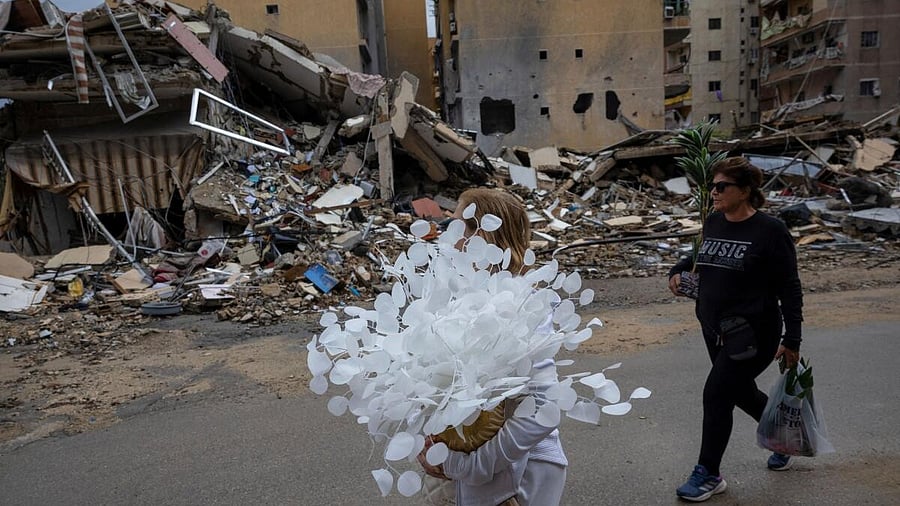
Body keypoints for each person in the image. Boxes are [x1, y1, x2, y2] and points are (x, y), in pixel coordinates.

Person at [417, 188, 568, 506]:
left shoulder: (526, 306)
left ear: (483, 236)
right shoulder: (455, 295)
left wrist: (469, 465)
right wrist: (428, 445)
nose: (448, 238)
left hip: (516, 480)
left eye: (457, 227)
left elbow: (543, 410)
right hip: (465, 479)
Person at [667, 157, 804, 502]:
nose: (714, 191)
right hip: (714, 328)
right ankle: (784, 438)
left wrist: (792, 339)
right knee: (738, 392)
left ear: (744, 191)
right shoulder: (714, 221)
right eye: (713, 185)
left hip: (754, 332)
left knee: (716, 394)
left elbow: (790, 287)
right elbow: (700, 255)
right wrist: (678, 268)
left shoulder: (770, 231)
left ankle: (708, 473)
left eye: (721, 186)